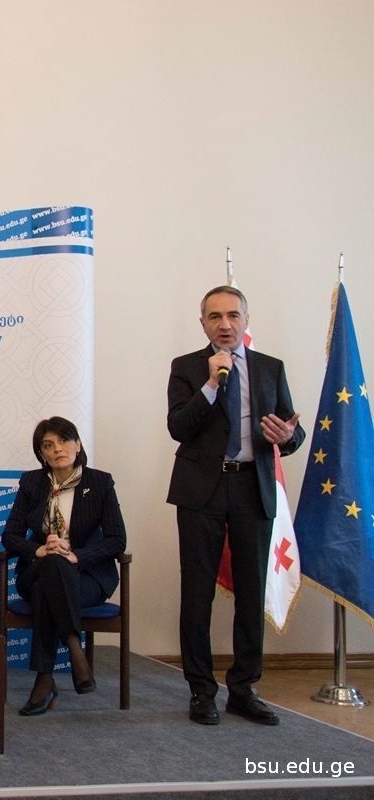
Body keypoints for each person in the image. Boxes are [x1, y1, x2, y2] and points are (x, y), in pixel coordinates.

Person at [168, 286, 304, 726]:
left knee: (250, 592)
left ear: (246, 319)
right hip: (200, 490)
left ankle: (243, 689)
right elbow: (178, 427)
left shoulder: (270, 368)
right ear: (202, 323)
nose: (224, 324)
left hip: (252, 487)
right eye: (214, 317)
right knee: (197, 594)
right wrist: (211, 384)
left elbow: (292, 429)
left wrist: (288, 437)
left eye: (232, 315)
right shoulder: (187, 367)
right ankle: (201, 691)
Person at [1, 417, 127, 716]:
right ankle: (73, 645)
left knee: (49, 585)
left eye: (64, 440)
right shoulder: (32, 483)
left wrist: (76, 556)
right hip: (37, 567)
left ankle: (44, 681)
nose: (57, 449)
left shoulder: (99, 483)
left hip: (87, 576)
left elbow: (117, 539)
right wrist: (39, 549)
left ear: (77, 445)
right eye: (48, 445)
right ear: (41, 454)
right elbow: (10, 535)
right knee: (52, 565)